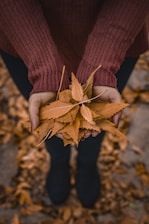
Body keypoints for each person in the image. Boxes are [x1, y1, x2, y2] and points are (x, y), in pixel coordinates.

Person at [0, 0, 149, 208]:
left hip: (116, 35)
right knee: (49, 118)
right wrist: (44, 69)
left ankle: (87, 162)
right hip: (24, 38)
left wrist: (100, 65)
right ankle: (59, 160)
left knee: (96, 119)